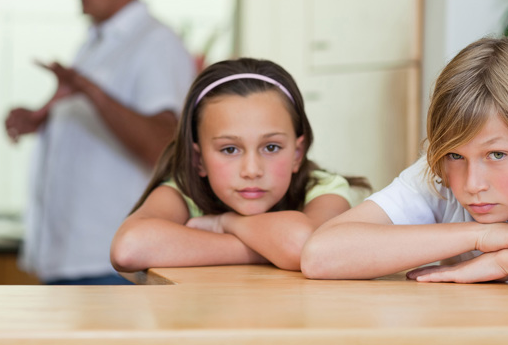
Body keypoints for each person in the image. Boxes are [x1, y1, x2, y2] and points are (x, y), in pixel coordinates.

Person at [301, 31, 508, 296]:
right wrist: (480, 235)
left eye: (497, 155)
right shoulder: (439, 174)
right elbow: (321, 255)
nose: (472, 184)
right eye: (455, 155)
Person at [4, 0, 195, 285]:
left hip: (108, 263)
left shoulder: (157, 44)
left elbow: (164, 144)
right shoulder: (96, 43)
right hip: (67, 259)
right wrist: (41, 118)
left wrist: (91, 91)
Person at [111, 58, 371, 272]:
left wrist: (225, 223)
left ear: (297, 153)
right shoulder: (183, 194)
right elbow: (129, 248)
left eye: (271, 147)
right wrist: (265, 249)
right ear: (198, 159)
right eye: (230, 149)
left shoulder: (324, 189)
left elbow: (304, 245)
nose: (251, 170)